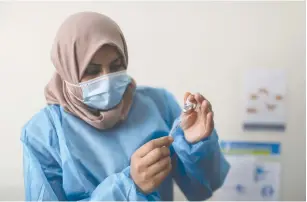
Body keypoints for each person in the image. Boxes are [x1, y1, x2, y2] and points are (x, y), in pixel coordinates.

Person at [21, 11, 230, 201]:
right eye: (92, 70)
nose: (107, 79)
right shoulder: (43, 134)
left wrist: (195, 144)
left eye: (115, 67)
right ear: (67, 69)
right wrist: (128, 187)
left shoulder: (159, 105)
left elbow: (202, 188)